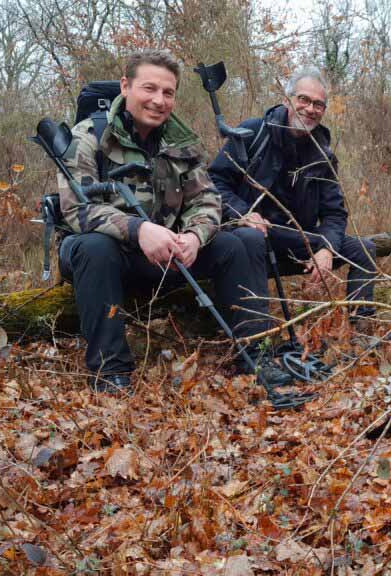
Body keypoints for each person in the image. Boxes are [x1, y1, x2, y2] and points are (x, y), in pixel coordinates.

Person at [57, 49, 272, 393]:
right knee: (94, 247)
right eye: (149, 89)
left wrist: (194, 237)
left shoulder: (181, 141)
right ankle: (111, 374)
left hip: (170, 257)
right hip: (110, 257)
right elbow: (77, 209)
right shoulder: (87, 137)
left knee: (239, 242)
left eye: (168, 93)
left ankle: (257, 357)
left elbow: (206, 199)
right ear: (126, 87)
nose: (159, 100)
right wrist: (138, 229)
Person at [208, 67, 377, 320]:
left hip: (297, 239)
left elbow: (334, 213)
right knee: (250, 237)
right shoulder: (253, 133)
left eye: (318, 104)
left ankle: (362, 332)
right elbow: (214, 182)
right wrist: (243, 213)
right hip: (249, 234)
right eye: (304, 99)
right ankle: (256, 333)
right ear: (288, 100)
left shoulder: (323, 155)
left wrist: (327, 249)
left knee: (363, 248)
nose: (310, 109)